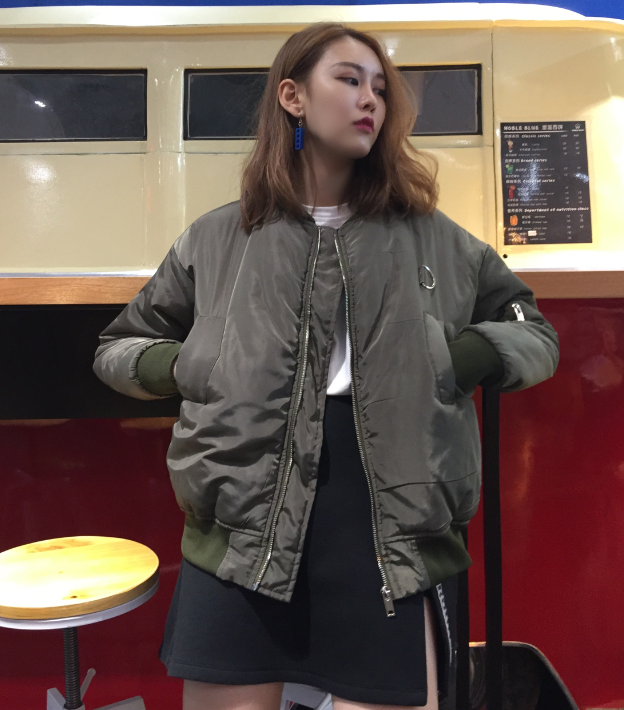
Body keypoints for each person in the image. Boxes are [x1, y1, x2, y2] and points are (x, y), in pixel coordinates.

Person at [93, 22, 559, 710]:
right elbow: (119, 347)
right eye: (348, 79)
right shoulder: (220, 237)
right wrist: (195, 365)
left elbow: (532, 330)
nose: (370, 98)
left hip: (388, 526)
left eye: (380, 88)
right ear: (293, 97)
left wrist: (453, 360)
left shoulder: (434, 238)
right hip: (243, 524)